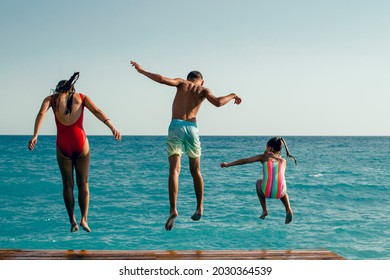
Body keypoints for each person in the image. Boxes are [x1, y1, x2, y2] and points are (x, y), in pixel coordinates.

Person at [130, 61, 242, 230]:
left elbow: (161, 79)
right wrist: (233, 95)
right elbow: (218, 102)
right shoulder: (203, 90)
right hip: (192, 128)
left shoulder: (182, 83)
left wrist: (142, 71)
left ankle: (173, 209)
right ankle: (199, 207)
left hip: (175, 127)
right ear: (201, 81)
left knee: (174, 170)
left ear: (189, 78)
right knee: (195, 171)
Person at [28, 72, 122, 233]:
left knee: (68, 185)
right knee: (83, 184)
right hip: (81, 143)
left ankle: (72, 220)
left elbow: (41, 113)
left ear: (58, 89)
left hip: (63, 145)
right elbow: (98, 111)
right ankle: (84, 219)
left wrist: (35, 135)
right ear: (72, 88)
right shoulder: (82, 97)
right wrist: (112, 127)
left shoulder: (51, 99)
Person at [220, 137, 297, 224]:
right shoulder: (283, 161)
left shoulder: (263, 157)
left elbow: (245, 161)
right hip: (280, 193)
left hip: (266, 192)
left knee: (258, 182)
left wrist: (228, 165)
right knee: (280, 184)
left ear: (270, 148)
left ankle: (264, 210)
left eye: (266, 147)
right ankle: (288, 209)